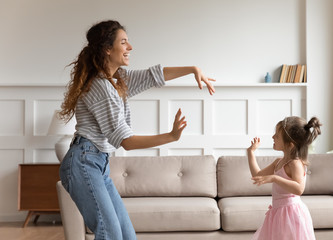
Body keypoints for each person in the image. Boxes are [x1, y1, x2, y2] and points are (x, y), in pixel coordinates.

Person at [58, 20, 215, 240]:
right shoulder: (101, 87)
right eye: (124, 42)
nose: (130, 47)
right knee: (109, 233)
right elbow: (126, 141)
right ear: (107, 49)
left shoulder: (115, 81)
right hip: (84, 162)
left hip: (97, 163)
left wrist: (193, 70)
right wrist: (170, 136)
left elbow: (153, 76)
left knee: (126, 235)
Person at [247, 116, 321, 240]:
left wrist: (275, 178)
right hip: (277, 213)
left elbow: (299, 189)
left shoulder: (295, 163)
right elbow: (257, 175)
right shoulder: (278, 162)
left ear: (290, 145)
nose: (272, 137)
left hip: (291, 215)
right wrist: (250, 152)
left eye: (277, 136)